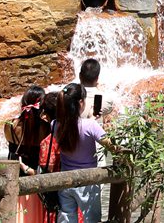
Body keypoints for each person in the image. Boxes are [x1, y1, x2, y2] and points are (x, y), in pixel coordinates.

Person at [54, 83, 117, 223]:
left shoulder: (55, 125)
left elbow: (74, 127)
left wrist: (90, 119)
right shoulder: (90, 126)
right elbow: (113, 147)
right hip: (88, 183)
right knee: (92, 220)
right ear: (81, 102)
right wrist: (95, 124)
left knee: (66, 218)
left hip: (64, 181)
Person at [5, 85, 47, 223]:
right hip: (38, 183)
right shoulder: (46, 128)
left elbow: (11, 148)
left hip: (16, 182)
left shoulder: (10, 125)